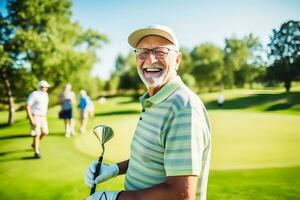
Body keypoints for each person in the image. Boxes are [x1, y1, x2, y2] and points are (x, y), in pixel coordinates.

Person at [85, 25, 211, 200]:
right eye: (142, 53)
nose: (150, 60)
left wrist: (115, 198)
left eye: (160, 52)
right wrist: (114, 169)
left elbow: (181, 194)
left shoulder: (183, 107)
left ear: (177, 60)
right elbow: (152, 160)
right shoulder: (154, 100)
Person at [26, 80, 50, 159]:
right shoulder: (34, 94)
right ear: (39, 87)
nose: (45, 88)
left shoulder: (46, 95)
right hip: (35, 116)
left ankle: (34, 144)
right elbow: (28, 106)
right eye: (43, 87)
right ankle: (36, 152)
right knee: (37, 134)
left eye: (46, 87)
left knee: (45, 132)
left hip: (43, 116)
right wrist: (31, 118)